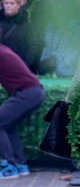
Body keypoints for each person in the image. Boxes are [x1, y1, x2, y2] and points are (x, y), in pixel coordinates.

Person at [0, 44, 45, 177]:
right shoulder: (3, 49)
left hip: (27, 93)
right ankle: (20, 165)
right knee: (8, 126)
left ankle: (9, 166)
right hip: (34, 92)